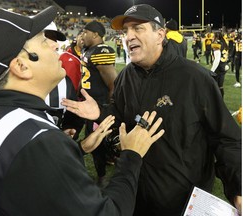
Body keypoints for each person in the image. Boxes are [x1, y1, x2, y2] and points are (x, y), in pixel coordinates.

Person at [0, 6, 165, 216]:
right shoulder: (37, 141)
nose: (55, 45)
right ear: (21, 66)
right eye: (43, 40)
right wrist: (131, 155)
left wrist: (78, 148)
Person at [62, 4, 242, 216]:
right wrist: (100, 113)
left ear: (160, 35)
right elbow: (120, 115)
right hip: (137, 197)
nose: (128, 36)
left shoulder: (196, 78)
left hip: (183, 203)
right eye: (126, 31)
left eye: (137, 28)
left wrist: (237, 189)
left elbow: (227, 139)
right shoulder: (126, 76)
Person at [81, 20, 118, 187]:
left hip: (99, 105)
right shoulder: (88, 50)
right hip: (89, 103)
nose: (82, 36)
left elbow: (113, 84)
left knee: (97, 141)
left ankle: (102, 176)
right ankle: (109, 159)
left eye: (85, 32)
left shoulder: (101, 51)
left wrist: (108, 108)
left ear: (95, 34)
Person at [210, 31, 229, 97]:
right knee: (220, 86)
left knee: (214, 86)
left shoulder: (217, 43)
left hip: (218, 67)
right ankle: (221, 103)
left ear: (216, 37)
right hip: (224, 66)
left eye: (213, 36)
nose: (212, 38)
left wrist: (211, 71)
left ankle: (217, 103)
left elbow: (217, 59)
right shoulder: (224, 42)